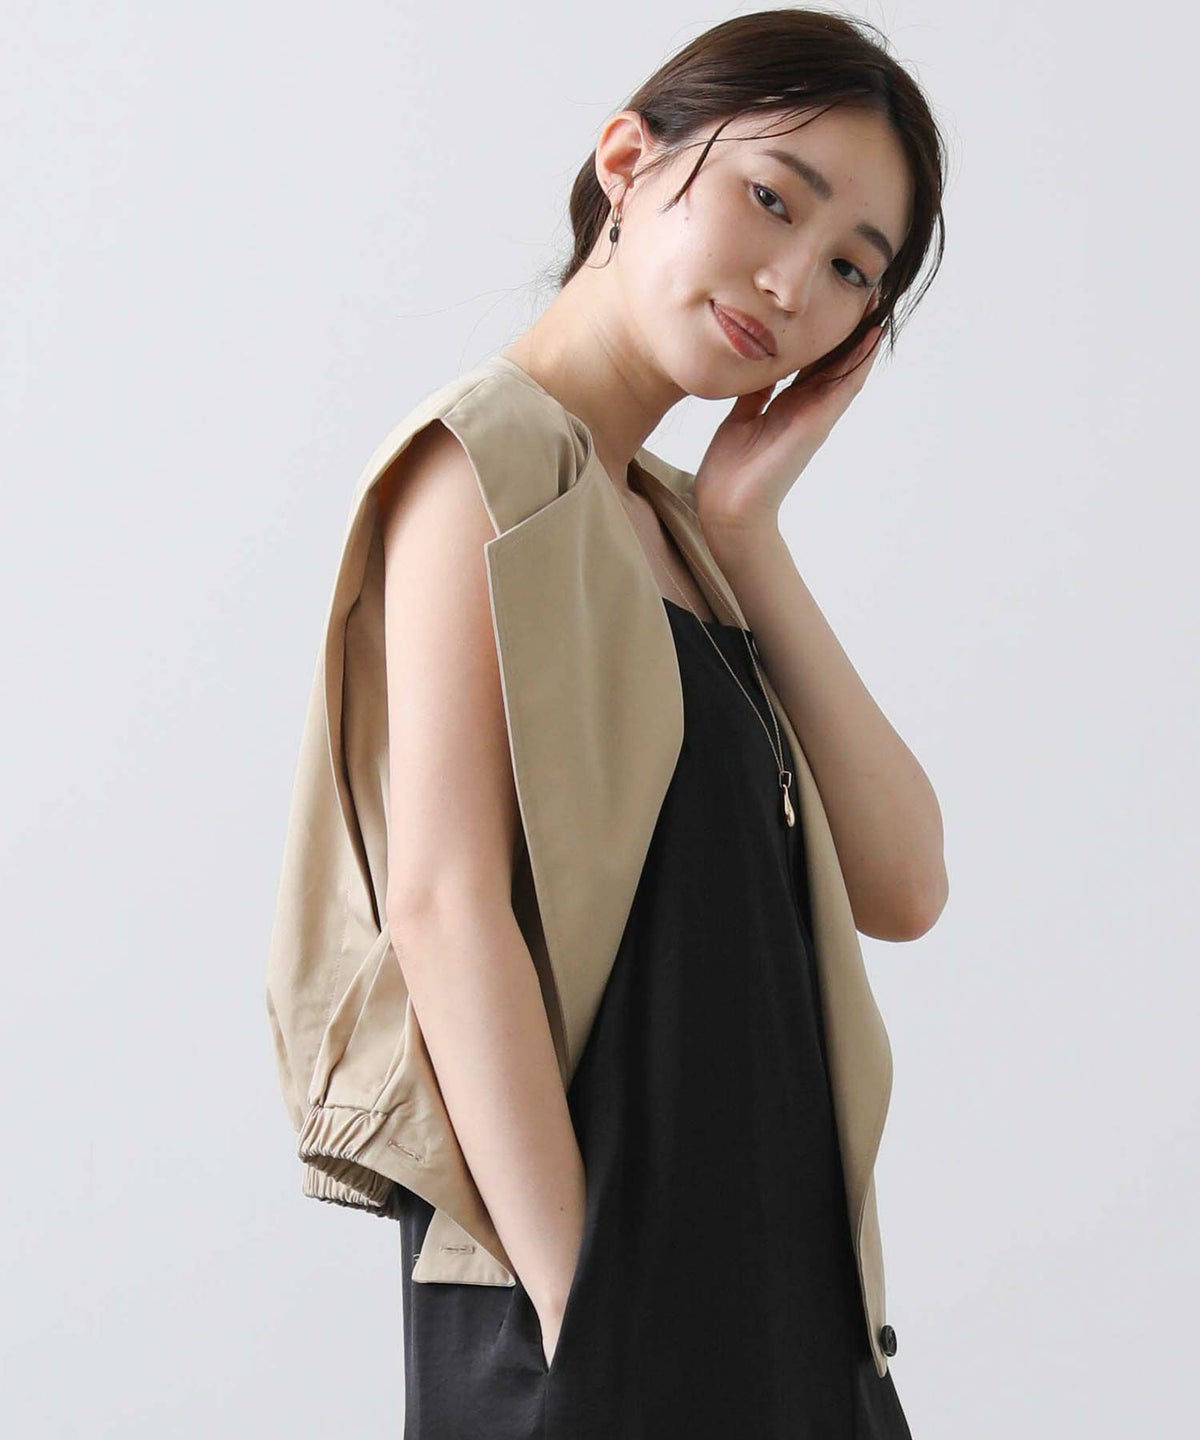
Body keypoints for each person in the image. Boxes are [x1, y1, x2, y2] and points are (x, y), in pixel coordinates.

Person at [267, 9, 949, 1436]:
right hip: (602, 1311)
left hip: (786, 1297)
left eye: (851, 269)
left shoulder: (682, 532)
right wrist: (587, 1312)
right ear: (629, 160)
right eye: (774, 198)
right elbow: (446, 907)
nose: (791, 283)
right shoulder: (481, 461)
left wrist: (747, 529)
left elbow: (904, 885)